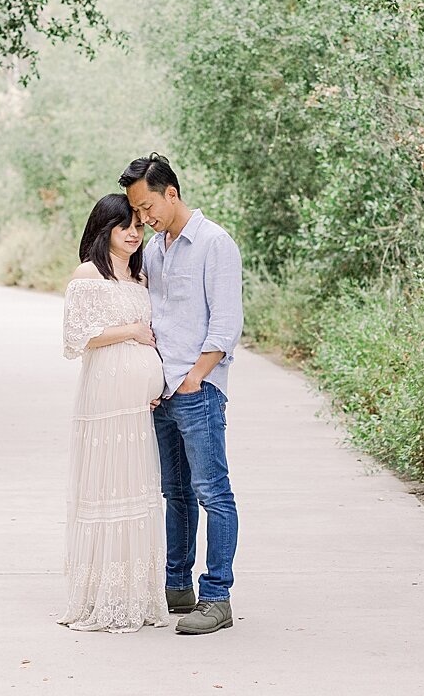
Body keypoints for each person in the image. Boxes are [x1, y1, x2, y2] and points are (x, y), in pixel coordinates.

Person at [120, 153, 243, 636]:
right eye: (138, 211)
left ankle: (217, 596)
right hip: (162, 391)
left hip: (198, 389)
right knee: (175, 493)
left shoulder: (215, 243)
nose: (145, 218)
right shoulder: (154, 249)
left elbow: (227, 324)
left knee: (212, 492)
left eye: (148, 206)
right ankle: (177, 586)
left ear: (171, 193)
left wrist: (195, 377)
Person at [58, 193, 171, 633]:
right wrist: (133, 332)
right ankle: (100, 597)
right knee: (107, 489)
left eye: (138, 226)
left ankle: (132, 595)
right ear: (104, 229)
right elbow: (76, 338)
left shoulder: (140, 277)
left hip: (136, 409)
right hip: (105, 404)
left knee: (135, 492)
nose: (133, 233)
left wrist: (155, 381)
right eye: (124, 225)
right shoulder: (87, 276)